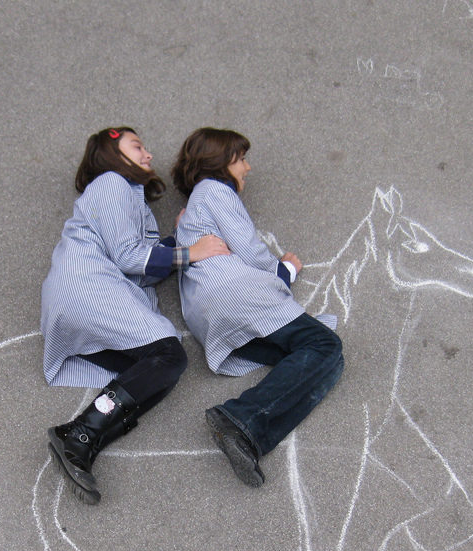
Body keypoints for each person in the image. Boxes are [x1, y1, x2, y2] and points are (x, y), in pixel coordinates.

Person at [41, 127, 229, 504]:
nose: (148, 154)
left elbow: (142, 267)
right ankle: (79, 433)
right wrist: (194, 253)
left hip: (81, 295)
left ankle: (82, 441)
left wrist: (180, 240)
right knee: (168, 355)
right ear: (111, 153)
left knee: (157, 374)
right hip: (87, 285)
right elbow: (130, 256)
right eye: (137, 146)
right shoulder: (111, 183)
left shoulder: (125, 199)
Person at [172, 127, 344, 487]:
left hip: (210, 313)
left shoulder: (191, 212)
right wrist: (285, 270)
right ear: (219, 160)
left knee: (316, 357)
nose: (247, 168)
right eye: (241, 158)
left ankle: (246, 436)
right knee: (324, 345)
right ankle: (241, 418)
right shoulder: (214, 189)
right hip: (236, 296)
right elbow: (249, 248)